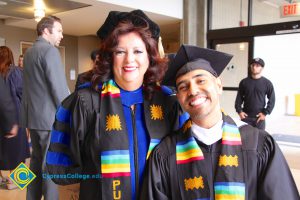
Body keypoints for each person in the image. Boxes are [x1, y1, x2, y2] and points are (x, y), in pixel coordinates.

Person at [46, 10, 185, 200]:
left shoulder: (168, 102)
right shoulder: (86, 102)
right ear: (110, 57)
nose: (129, 60)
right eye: (120, 51)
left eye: (138, 51)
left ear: (149, 57)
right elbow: (64, 167)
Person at [141, 45, 299, 200]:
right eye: (183, 87)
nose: (193, 91)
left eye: (201, 81)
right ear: (179, 99)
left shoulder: (258, 144)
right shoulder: (165, 154)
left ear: (218, 85)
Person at [21, 16, 69, 200]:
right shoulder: (49, 52)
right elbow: (57, 88)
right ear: (46, 31)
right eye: (59, 31)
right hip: (49, 118)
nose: (62, 35)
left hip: (33, 118)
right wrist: (69, 114)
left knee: (35, 162)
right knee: (49, 165)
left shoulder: (29, 52)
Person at [0, 46, 30, 189]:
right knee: (17, 150)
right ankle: (15, 182)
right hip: (13, 116)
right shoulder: (15, 72)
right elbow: (22, 92)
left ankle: (2, 179)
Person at [235, 58, 275, 130]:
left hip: (259, 118)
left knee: (259, 140)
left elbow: (272, 99)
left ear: (262, 68)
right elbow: (239, 98)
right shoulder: (244, 82)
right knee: (246, 140)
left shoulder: (267, 83)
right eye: (253, 65)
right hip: (246, 117)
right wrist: (239, 111)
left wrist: (265, 113)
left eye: (257, 66)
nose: (254, 67)